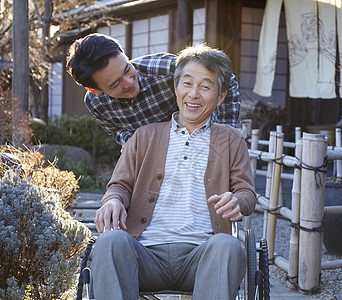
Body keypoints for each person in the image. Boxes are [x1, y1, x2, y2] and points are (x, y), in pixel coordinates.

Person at [90, 43, 257, 300]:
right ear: (176, 87)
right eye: (187, 84)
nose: (193, 94)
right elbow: (119, 186)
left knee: (229, 245)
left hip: (203, 255)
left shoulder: (231, 139)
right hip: (144, 254)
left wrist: (236, 200)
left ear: (221, 96)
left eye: (205, 86)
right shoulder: (143, 136)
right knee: (109, 242)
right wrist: (112, 201)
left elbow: (246, 192)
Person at [66, 33, 241, 145]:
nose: (128, 83)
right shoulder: (95, 103)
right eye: (115, 84)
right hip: (154, 160)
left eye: (127, 69)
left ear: (124, 55)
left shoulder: (164, 68)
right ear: (95, 89)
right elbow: (116, 131)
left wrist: (225, 131)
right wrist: (134, 143)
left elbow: (227, 80)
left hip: (204, 143)